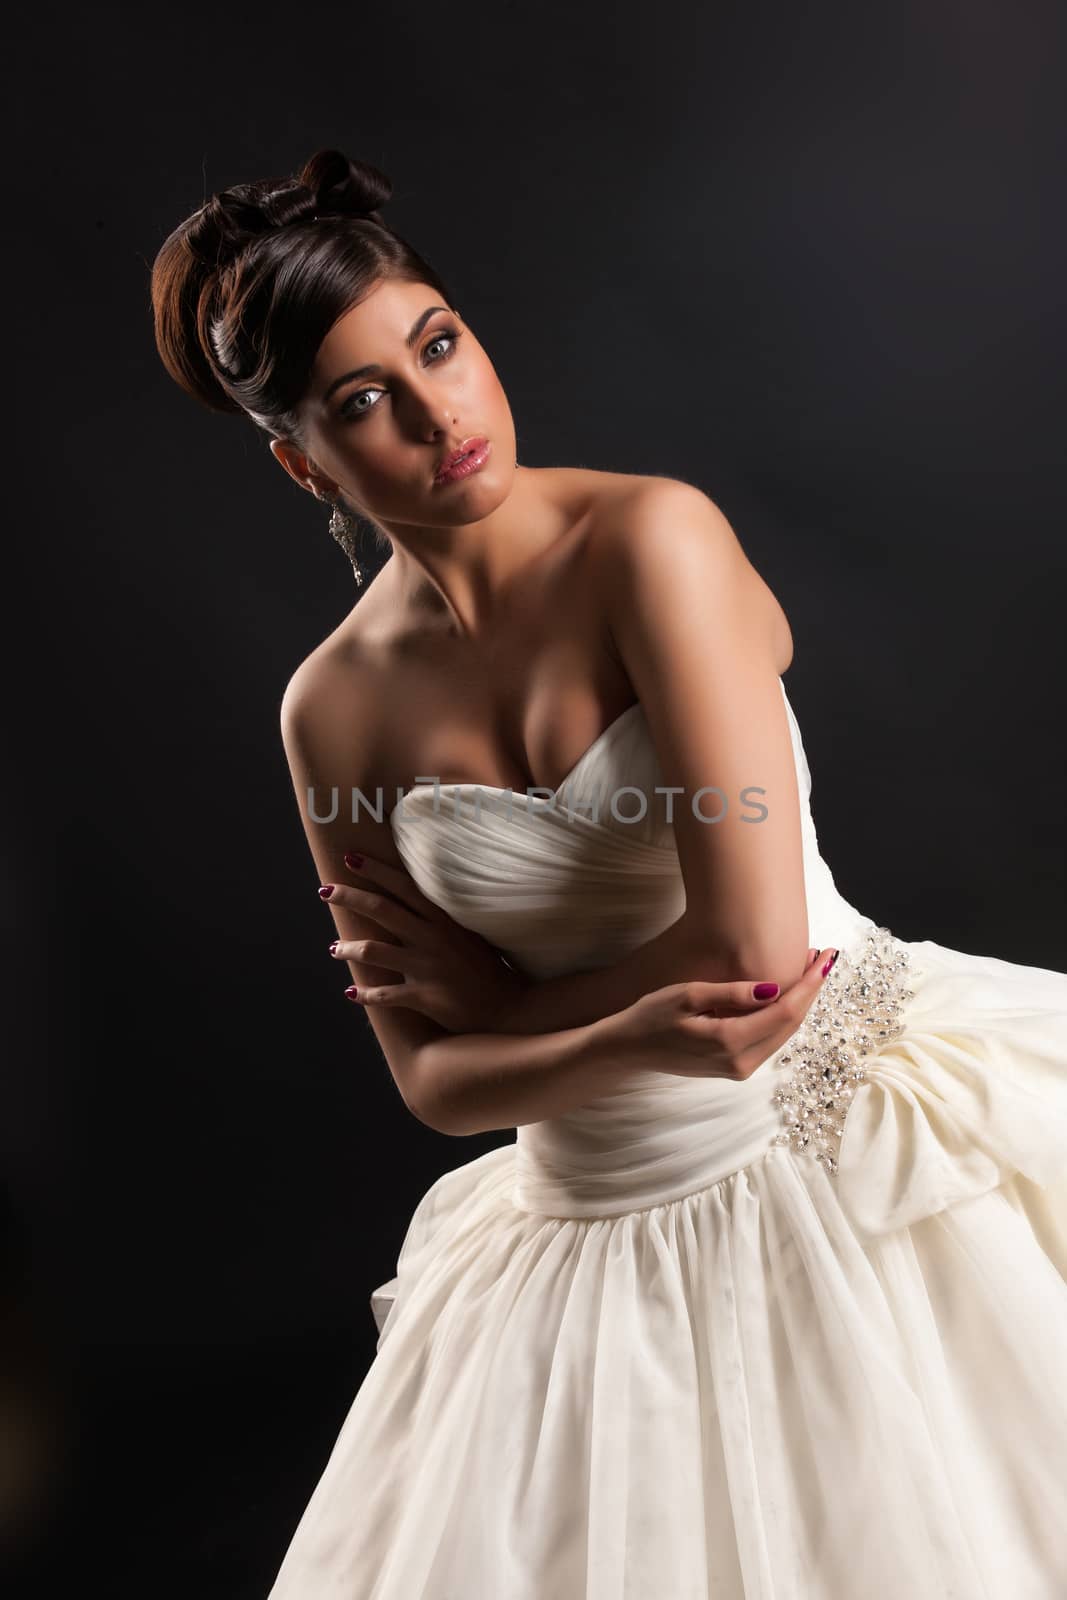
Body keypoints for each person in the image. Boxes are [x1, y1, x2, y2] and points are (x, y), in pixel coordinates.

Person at [151, 148, 1067, 1598]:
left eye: (438, 344)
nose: (442, 411)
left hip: (841, 1156)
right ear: (302, 460)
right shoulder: (328, 712)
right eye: (363, 403)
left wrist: (510, 1012)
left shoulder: (652, 541)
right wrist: (589, 1038)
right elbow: (427, 1086)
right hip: (578, 1232)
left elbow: (754, 960)